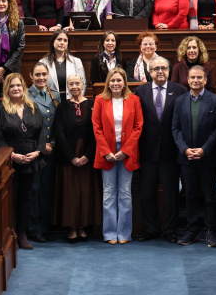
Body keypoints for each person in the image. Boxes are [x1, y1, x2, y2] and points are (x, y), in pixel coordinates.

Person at [134, 56, 187, 243]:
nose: (160, 71)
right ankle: (150, 229)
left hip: (170, 151)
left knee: (171, 193)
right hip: (147, 151)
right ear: (150, 72)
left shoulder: (180, 91)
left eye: (163, 68)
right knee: (147, 193)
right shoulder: (139, 91)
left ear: (169, 70)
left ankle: (170, 230)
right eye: (156, 69)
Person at [172, 65, 216, 247]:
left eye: (199, 78)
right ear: (188, 80)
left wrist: (204, 149)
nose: (195, 80)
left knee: (210, 196)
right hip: (186, 158)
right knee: (190, 195)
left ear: (205, 80)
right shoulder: (179, 101)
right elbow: (175, 128)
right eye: (192, 77)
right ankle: (192, 230)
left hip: (208, 157)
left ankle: (211, 231)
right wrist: (185, 149)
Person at [0, 73, 46, 250]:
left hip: (31, 160)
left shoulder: (33, 107)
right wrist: (12, 155)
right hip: (10, 161)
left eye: (19, 86)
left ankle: (22, 235)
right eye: (12, 86)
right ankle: (10, 235)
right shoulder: (0, 109)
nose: (16, 89)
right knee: (10, 199)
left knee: (26, 198)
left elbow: (41, 133)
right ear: (7, 89)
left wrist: (37, 152)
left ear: (24, 88)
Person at [92, 68, 143, 244]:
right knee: (108, 194)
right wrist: (106, 151)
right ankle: (109, 233)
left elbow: (138, 127)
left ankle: (124, 233)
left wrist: (126, 150)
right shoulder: (100, 100)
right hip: (106, 152)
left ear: (124, 83)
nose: (115, 84)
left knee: (125, 194)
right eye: (112, 80)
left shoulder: (134, 100)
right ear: (108, 82)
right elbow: (96, 128)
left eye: (119, 80)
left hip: (127, 152)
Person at [54, 74, 97, 244]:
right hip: (68, 156)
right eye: (70, 84)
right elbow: (59, 133)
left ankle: (83, 227)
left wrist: (87, 155)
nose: (74, 87)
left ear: (83, 85)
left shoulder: (93, 104)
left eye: (77, 83)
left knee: (85, 191)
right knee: (71, 192)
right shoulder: (62, 106)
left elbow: (97, 132)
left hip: (88, 154)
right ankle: (72, 227)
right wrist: (72, 157)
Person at [27, 62, 61, 243]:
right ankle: (33, 228)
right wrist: (41, 147)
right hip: (34, 150)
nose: (41, 78)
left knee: (47, 189)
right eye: (37, 75)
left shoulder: (54, 95)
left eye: (44, 74)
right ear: (31, 76)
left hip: (50, 151)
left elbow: (57, 124)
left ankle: (45, 226)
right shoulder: (25, 95)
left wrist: (53, 143)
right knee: (34, 189)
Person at [40, 30, 86, 99]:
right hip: (51, 102)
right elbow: (40, 85)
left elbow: (83, 84)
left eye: (65, 40)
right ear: (53, 42)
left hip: (72, 100)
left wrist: (77, 99)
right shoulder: (43, 62)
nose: (62, 43)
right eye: (59, 39)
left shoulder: (76, 61)